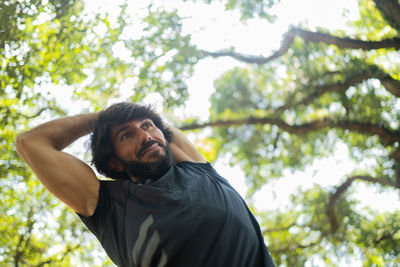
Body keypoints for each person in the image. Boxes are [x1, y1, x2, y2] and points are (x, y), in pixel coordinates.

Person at [15, 102, 275, 267]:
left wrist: (133, 116)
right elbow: (30, 142)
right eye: (127, 134)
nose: (145, 135)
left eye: (147, 126)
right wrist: (103, 118)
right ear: (114, 162)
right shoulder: (110, 208)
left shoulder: (197, 169)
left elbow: (161, 129)